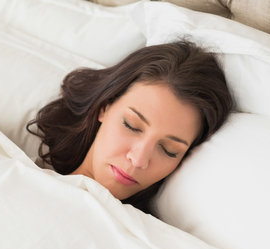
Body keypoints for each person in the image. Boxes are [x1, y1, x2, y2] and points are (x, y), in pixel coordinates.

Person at [27, 40, 233, 214]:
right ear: (105, 107)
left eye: (168, 150)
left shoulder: (150, 242)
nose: (138, 160)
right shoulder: (15, 168)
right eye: (132, 126)